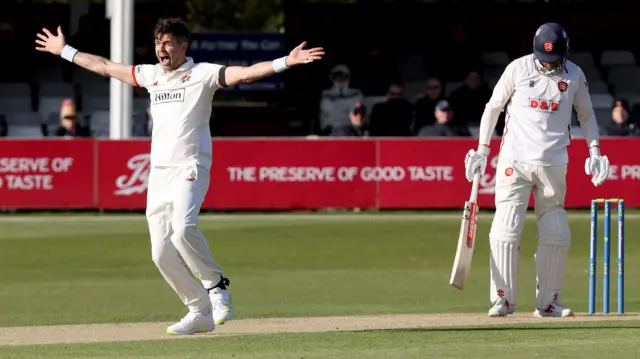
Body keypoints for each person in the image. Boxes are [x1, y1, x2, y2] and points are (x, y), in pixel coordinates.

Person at [35, 18, 324, 335]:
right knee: (160, 253)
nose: (162, 48)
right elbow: (104, 66)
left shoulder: (203, 74)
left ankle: (216, 286)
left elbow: (244, 74)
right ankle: (199, 310)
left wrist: (286, 61)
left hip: (190, 167)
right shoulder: (150, 75)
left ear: (183, 47)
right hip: (158, 174)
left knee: (183, 229)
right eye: (158, 42)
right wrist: (65, 51)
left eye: (169, 42)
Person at [463, 23, 610, 318]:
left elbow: (586, 114)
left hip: (554, 163)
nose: (546, 64)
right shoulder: (518, 69)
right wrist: (482, 149)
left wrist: (595, 150)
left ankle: (548, 303)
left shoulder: (574, 74)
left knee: (556, 232)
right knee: (505, 229)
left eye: (553, 60)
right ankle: (503, 299)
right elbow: (493, 108)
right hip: (513, 160)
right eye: (542, 58)